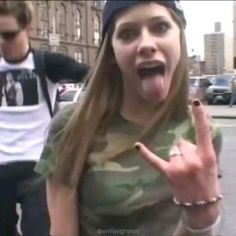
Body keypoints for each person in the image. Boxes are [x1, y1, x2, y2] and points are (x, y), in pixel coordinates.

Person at [35, 1, 223, 236]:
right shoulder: (72, 127)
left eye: (160, 27)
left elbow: (203, 226)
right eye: (127, 33)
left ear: (180, 40)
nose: (146, 44)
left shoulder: (204, 133)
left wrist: (200, 220)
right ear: (112, 53)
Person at [0, 1, 89, 236]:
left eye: (8, 35)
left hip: (37, 168)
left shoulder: (46, 63)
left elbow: (95, 77)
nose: (1, 42)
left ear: (28, 29)